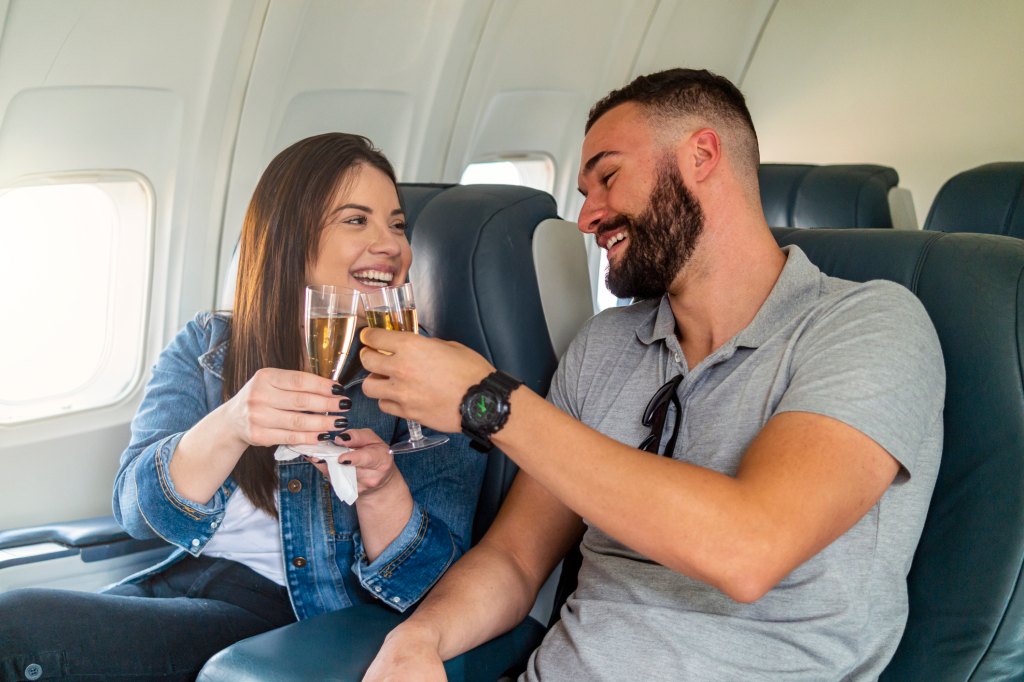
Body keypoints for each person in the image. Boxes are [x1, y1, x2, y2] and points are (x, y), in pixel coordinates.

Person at [358, 69, 945, 680]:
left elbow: (750, 549)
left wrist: (489, 402)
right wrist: (417, 640)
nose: (587, 219)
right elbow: (514, 559)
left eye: (608, 177)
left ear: (702, 155)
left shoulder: (869, 325)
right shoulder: (605, 346)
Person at [0, 133, 484, 682]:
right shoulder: (208, 347)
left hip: (293, 617)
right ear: (289, 240)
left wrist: (382, 492)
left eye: (397, 224)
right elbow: (135, 513)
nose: (392, 244)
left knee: (15, 629)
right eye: (357, 221)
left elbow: (436, 588)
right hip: (180, 582)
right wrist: (231, 424)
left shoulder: (435, 379)